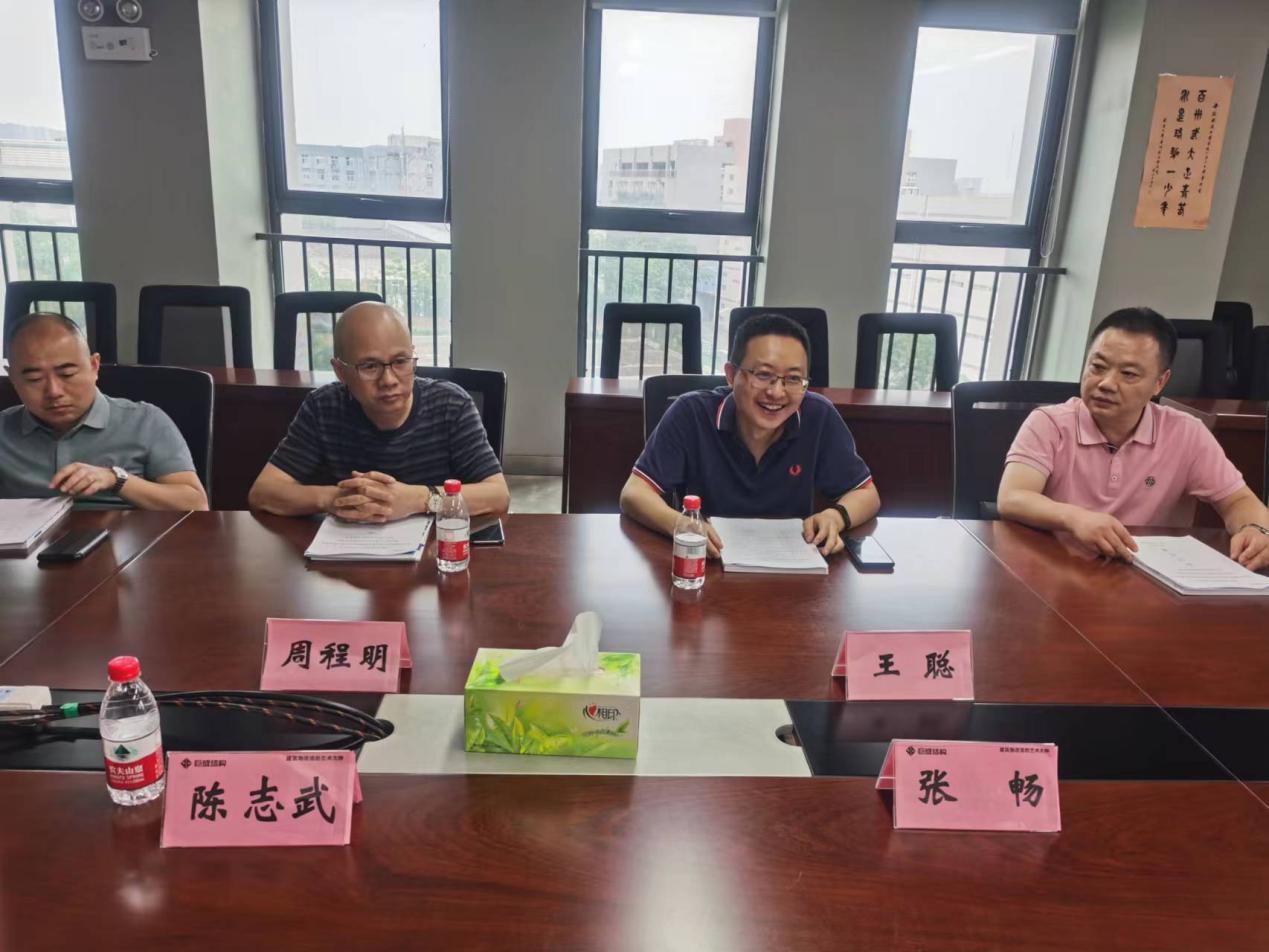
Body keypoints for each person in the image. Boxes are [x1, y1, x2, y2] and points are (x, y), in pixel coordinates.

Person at [998, 306, 1269, 570]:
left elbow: (1239, 500)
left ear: (1159, 382)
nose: (1106, 383)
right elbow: (1013, 496)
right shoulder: (1050, 423)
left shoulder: (1187, 433)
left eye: (1128, 374)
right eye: (1097, 367)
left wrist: (1256, 529)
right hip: (1056, 567)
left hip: (1144, 574)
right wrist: (1075, 518)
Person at [619, 313, 880, 556]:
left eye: (792, 379)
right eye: (763, 375)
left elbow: (867, 494)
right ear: (731, 375)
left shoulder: (818, 416)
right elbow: (634, 493)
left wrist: (836, 516)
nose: (777, 392)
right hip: (708, 564)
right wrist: (683, 525)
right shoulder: (691, 413)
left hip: (790, 568)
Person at [248, 302, 509, 521]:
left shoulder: (451, 405)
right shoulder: (323, 407)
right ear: (340, 371)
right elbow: (263, 493)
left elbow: (497, 496)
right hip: (350, 554)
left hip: (435, 553)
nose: (389, 380)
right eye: (370, 366)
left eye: (400, 361)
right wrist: (338, 498)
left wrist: (418, 499)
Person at [0, 312, 208, 511]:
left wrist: (117, 480)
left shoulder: (145, 421)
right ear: (13, 378)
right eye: (34, 379)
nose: (54, 392)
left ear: (94, 366)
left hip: (126, 533)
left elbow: (196, 505)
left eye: (67, 374)